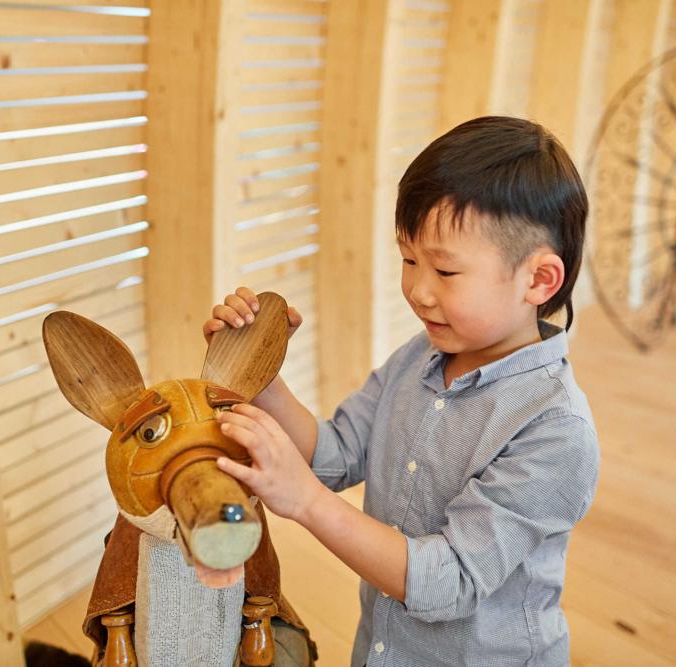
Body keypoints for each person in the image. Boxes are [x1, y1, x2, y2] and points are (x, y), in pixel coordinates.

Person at [203, 116, 600, 666]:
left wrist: (306, 502)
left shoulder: (555, 429)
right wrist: (261, 375)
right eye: (409, 259)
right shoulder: (420, 356)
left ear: (538, 281)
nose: (417, 290)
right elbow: (335, 455)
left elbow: (450, 582)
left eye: (444, 270)